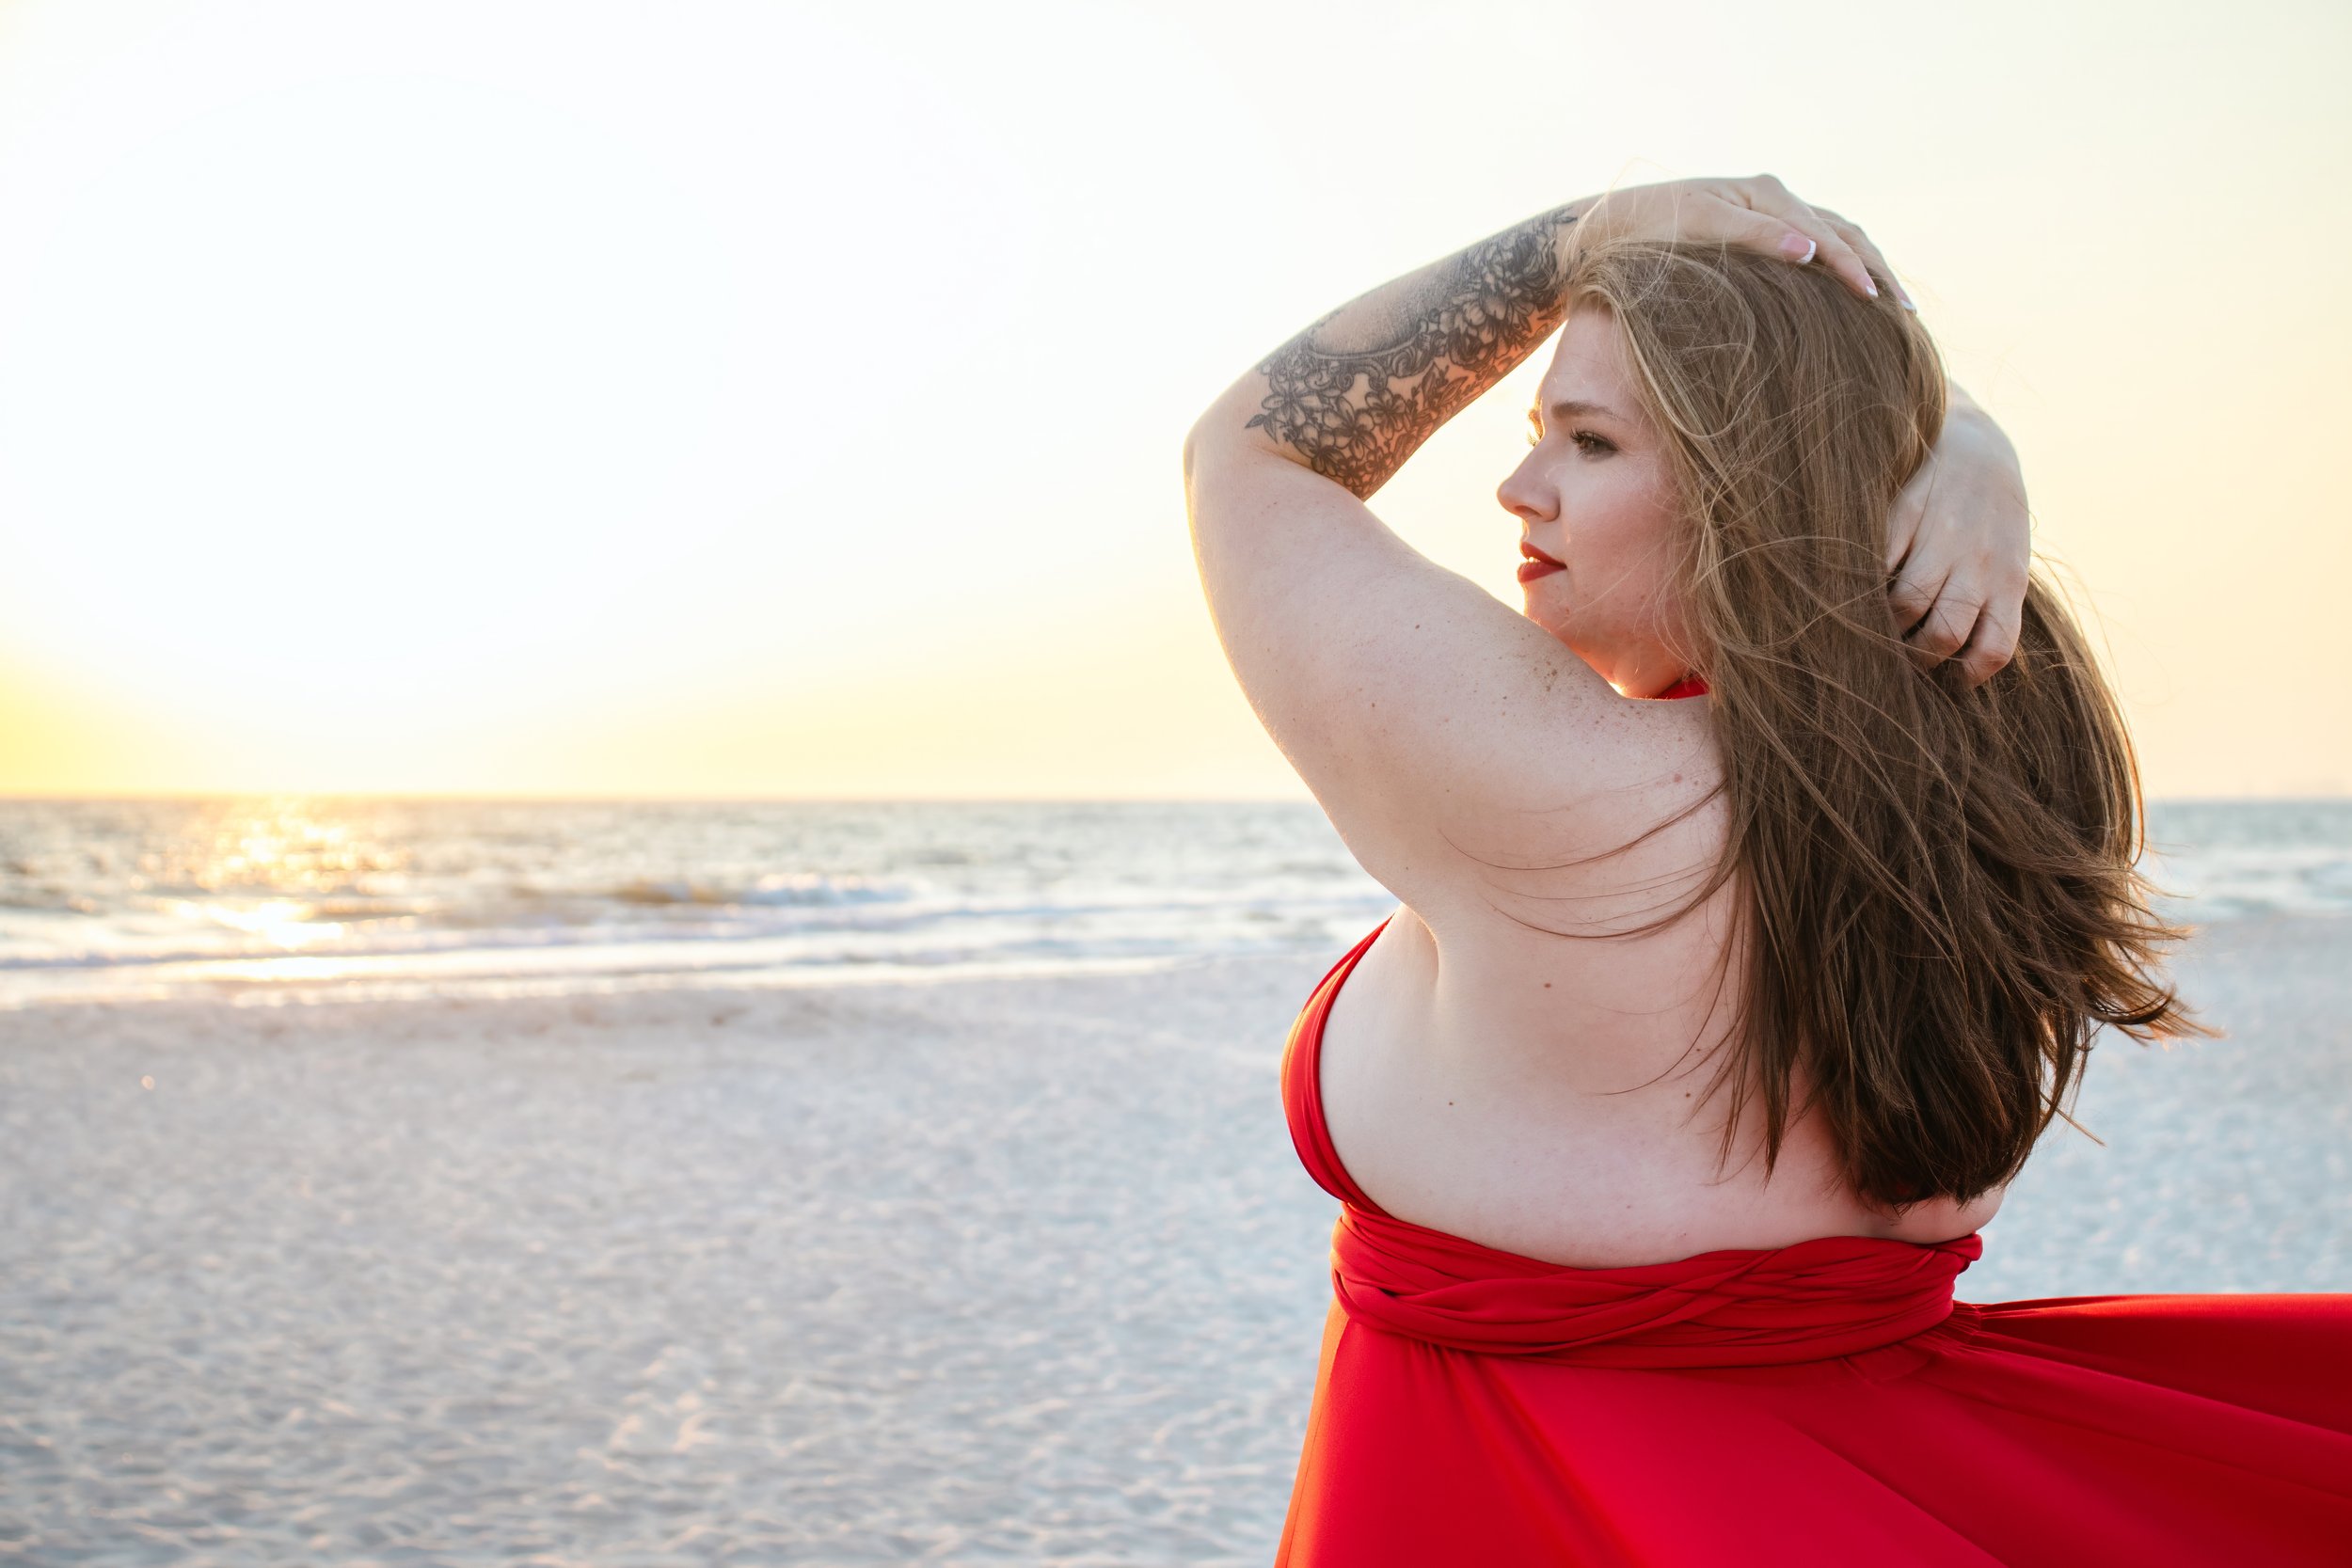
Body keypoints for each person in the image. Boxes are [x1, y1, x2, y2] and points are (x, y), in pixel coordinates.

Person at [1183, 175, 2352, 1565]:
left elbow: (1254, 453)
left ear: (1750, 479)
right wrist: (1966, 434)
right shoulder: (2006, 746)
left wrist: (1575, 241)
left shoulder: (1558, 797)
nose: (1519, 486)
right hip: (1879, 1495)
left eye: (1593, 441)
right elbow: (1842, 452)